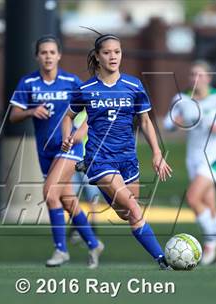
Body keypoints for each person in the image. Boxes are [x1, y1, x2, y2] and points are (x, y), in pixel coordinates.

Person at [61, 32, 173, 270]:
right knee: (134, 207)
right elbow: (68, 117)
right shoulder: (87, 88)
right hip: (100, 159)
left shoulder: (134, 85)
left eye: (117, 52)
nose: (113, 56)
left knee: (127, 215)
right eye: (107, 52)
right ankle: (163, 259)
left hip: (127, 159)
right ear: (98, 57)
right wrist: (67, 138)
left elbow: (145, 121)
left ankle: (100, 179)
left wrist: (156, 153)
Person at [9, 35, 103, 269]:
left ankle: (61, 250)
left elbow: (93, 113)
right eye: (43, 52)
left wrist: (79, 133)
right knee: (68, 201)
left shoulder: (71, 82)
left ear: (59, 55)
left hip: (69, 147)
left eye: (52, 52)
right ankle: (93, 242)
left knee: (50, 194)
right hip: (45, 151)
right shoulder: (28, 83)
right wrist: (31, 111)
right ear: (37, 56)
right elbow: (13, 115)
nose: (48, 56)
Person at [163, 60, 216, 266]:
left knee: (192, 198)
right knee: (209, 206)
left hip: (215, 156)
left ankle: (210, 243)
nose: (195, 79)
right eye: (192, 75)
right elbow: (167, 122)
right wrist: (175, 123)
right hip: (194, 157)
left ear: (208, 78)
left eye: (200, 75)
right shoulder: (182, 99)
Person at [69, 110, 101, 245]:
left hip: (88, 160)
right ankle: (75, 227)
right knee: (71, 194)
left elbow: (80, 135)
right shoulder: (73, 113)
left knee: (92, 197)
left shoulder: (91, 112)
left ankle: (92, 227)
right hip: (72, 159)